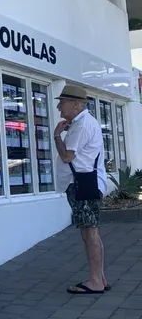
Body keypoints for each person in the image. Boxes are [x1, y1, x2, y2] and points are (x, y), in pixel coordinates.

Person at [53, 85, 109, 295]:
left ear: (76, 105)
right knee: (89, 231)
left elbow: (67, 156)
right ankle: (99, 278)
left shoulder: (82, 125)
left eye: (62, 102)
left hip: (84, 183)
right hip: (86, 182)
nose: (59, 107)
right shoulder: (82, 123)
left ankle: (95, 281)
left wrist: (57, 135)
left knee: (90, 232)